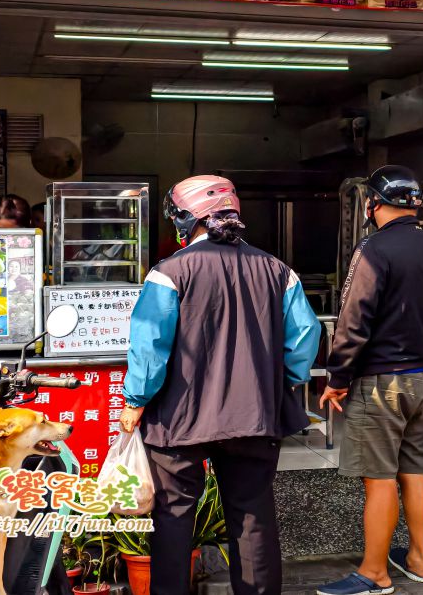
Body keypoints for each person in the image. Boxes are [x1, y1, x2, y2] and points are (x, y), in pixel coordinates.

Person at [120, 175, 321, 595]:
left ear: (184, 219)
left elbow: (150, 343)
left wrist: (136, 399)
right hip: (255, 416)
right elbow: (304, 338)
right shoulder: (278, 271)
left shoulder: (169, 272)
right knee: (253, 515)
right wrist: (278, 381)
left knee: (174, 516)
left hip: (178, 419)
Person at [318, 165, 423, 595]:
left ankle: (374, 572)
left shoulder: (372, 248)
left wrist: (337, 376)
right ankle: (420, 560)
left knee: (379, 477)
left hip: (382, 383)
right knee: (413, 469)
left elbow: (353, 320)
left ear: (373, 203)